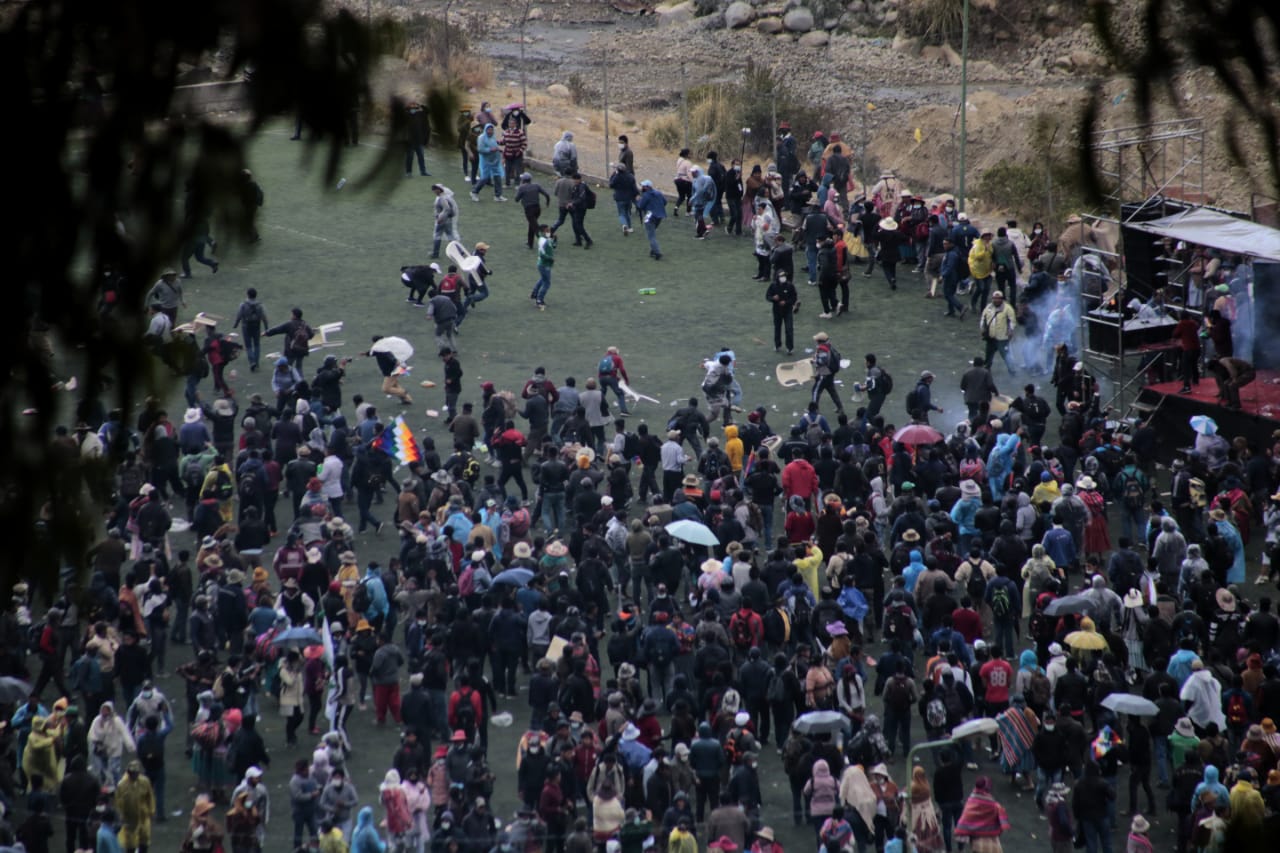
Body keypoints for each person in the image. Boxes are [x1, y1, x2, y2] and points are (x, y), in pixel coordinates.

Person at [953, 776, 1010, 852]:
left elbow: (965, 819)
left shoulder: (971, 801)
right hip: (992, 839)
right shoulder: (994, 805)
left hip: (976, 840)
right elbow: (1002, 818)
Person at [980, 291, 1018, 375]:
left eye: (998, 298)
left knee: (1006, 356)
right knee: (988, 355)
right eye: (995, 298)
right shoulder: (988, 307)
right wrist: (982, 328)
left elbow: (1012, 321)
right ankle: (987, 370)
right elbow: (983, 318)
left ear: (1001, 299)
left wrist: (1010, 330)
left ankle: (1012, 371)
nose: (996, 300)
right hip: (991, 337)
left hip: (1002, 338)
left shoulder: (1008, 308)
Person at [515, 173, 551, 250]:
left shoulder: (522, 188)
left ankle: (546, 243)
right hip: (537, 209)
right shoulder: (536, 185)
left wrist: (520, 193)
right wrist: (547, 203)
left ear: (523, 180)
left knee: (535, 228)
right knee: (532, 225)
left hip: (529, 210)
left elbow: (516, 199)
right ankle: (530, 243)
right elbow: (547, 195)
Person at [810, 332, 843, 414]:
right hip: (830, 374)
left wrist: (814, 361)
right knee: (832, 391)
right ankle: (840, 407)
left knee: (815, 391)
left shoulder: (822, 349)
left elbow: (822, 361)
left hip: (824, 374)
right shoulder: (829, 347)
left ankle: (814, 410)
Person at [635, 180, 667, 261]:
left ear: (646, 187)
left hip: (650, 217)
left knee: (651, 236)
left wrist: (638, 200)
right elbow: (665, 202)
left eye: (643, 186)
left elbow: (640, 206)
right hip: (660, 216)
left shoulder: (646, 195)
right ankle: (652, 251)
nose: (642, 187)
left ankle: (657, 252)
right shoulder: (658, 193)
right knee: (652, 233)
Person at [767, 273, 798, 355]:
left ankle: (790, 348)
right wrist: (773, 298)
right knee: (777, 328)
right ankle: (777, 345)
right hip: (777, 310)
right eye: (781, 276)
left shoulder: (789, 286)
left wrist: (786, 302)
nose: (783, 278)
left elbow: (794, 298)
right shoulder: (773, 286)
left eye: (784, 276)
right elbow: (768, 296)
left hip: (787, 310)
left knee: (789, 328)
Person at [430, 185, 460, 260]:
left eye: (434, 190)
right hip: (448, 219)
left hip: (442, 220)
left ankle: (435, 253)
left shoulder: (442, 198)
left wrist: (440, 217)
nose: (433, 192)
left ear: (439, 190)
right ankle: (459, 252)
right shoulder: (446, 197)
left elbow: (446, 208)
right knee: (450, 236)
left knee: (437, 236)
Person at [532, 224, 556, 309]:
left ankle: (535, 293)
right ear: (543, 232)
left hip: (545, 264)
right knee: (547, 283)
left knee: (543, 279)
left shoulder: (546, 239)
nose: (549, 232)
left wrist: (555, 240)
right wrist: (550, 259)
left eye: (549, 230)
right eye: (547, 231)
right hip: (544, 264)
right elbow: (542, 254)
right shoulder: (543, 241)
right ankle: (539, 300)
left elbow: (553, 246)